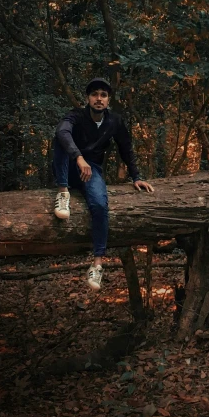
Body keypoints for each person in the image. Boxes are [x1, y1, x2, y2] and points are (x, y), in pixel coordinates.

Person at [52, 78, 154, 291]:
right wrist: (78, 157)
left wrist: (136, 177)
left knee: (100, 205)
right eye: (95, 94)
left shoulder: (114, 121)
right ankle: (63, 194)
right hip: (70, 167)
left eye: (103, 95)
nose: (99, 99)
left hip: (92, 171)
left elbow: (126, 148)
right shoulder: (76, 116)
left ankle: (97, 264)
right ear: (88, 98)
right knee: (61, 138)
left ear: (108, 99)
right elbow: (62, 132)